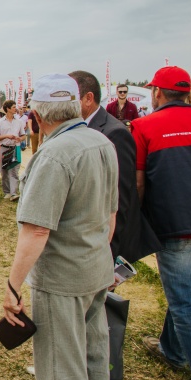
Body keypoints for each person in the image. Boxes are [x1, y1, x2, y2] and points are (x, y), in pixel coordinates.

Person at [3, 73, 118, 380]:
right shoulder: (101, 142)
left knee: (61, 369)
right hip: (95, 269)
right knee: (93, 355)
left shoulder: (54, 155)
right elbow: (111, 216)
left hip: (63, 280)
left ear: (37, 117)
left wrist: (12, 288)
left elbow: (37, 229)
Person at [131, 66, 191, 374]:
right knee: (183, 293)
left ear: (157, 92)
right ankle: (172, 350)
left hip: (173, 225)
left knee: (185, 305)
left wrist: (134, 225)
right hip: (181, 223)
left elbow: (139, 183)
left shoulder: (144, 125)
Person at [69, 70, 161, 263]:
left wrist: (109, 254)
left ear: (88, 98)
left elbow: (120, 197)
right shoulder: (79, 128)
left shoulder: (113, 134)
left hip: (105, 243)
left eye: (69, 97)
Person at [0, 100, 25, 201]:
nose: (16, 109)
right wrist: (6, 136)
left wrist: (20, 139)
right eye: (14, 107)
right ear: (8, 109)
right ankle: (7, 192)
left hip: (15, 148)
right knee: (5, 171)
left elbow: (23, 135)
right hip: (4, 148)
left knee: (15, 170)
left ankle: (14, 193)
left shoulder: (19, 122)